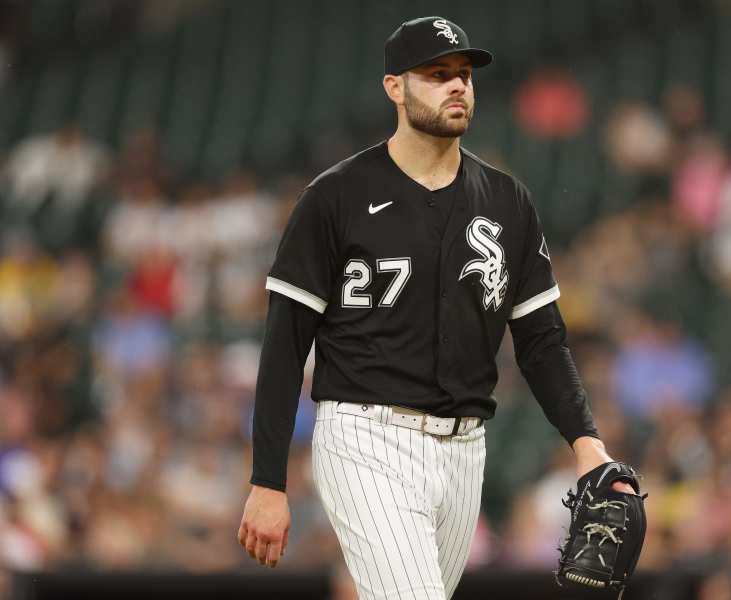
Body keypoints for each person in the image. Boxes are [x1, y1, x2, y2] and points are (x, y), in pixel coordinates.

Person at [237, 16, 634, 599]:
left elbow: (543, 342)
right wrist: (267, 481)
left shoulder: (507, 201)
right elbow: (284, 345)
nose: (457, 86)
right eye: (437, 74)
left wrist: (588, 445)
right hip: (364, 437)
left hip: (464, 449)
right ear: (394, 87)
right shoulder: (335, 196)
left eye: (465, 75)